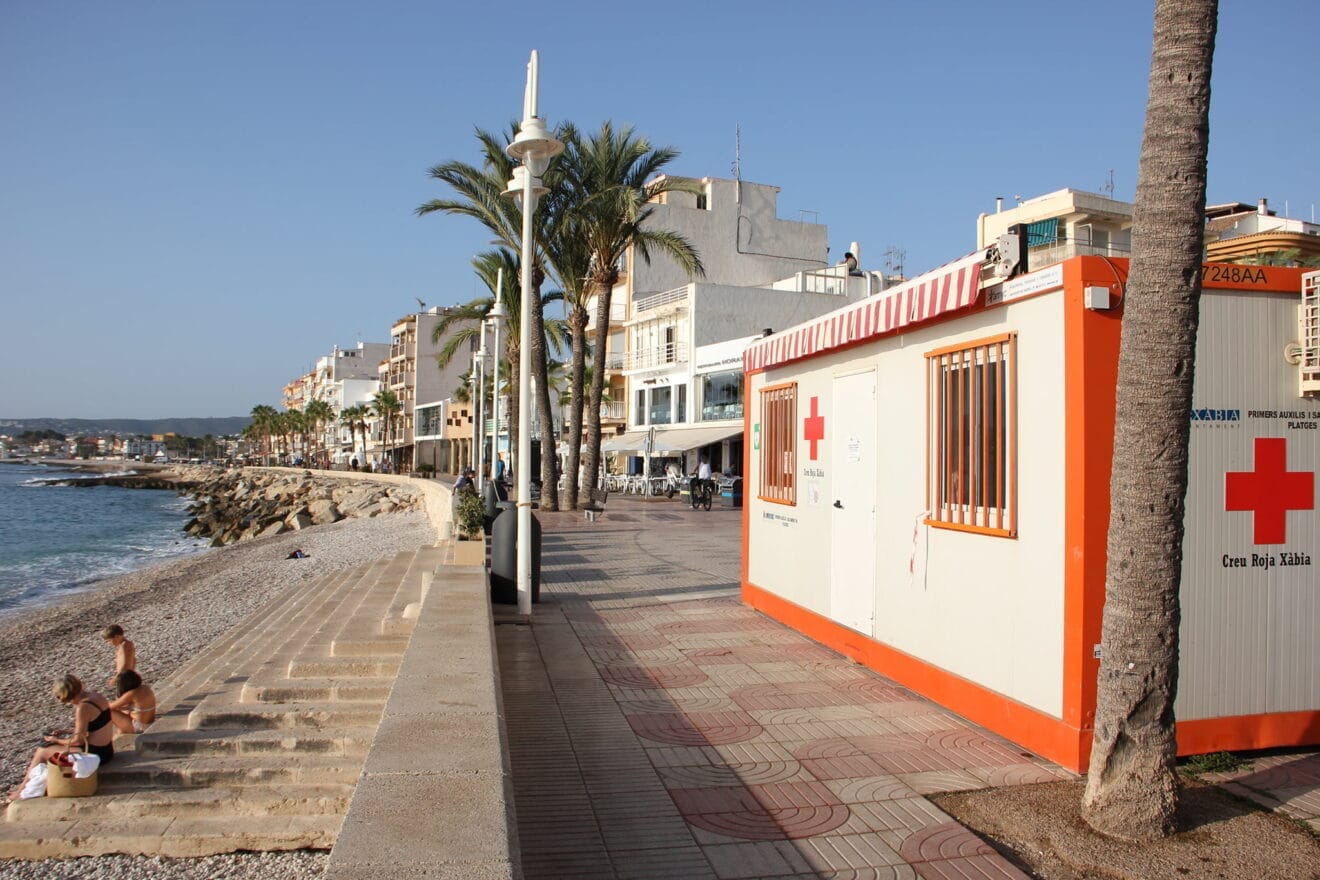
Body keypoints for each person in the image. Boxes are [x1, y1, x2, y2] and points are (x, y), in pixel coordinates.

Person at [11, 675, 116, 797]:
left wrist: (56, 740)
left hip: (94, 754)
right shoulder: (96, 697)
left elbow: (78, 741)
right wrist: (64, 732)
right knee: (50, 747)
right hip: (107, 749)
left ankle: (20, 791)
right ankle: (32, 785)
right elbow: (95, 725)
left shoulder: (83, 708)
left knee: (42, 751)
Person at [107, 670, 156, 734]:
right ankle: (121, 731)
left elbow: (109, 707)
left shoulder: (131, 694)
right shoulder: (144, 688)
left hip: (140, 727)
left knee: (109, 711)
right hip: (149, 722)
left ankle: (121, 731)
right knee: (123, 710)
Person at [102, 624, 135, 688]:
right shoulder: (126, 644)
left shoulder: (124, 646)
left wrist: (116, 678)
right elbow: (134, 660)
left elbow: (125, 664)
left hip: (125, 677)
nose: (109, 643)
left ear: (117, 637)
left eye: (109, 640)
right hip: (128, 675)